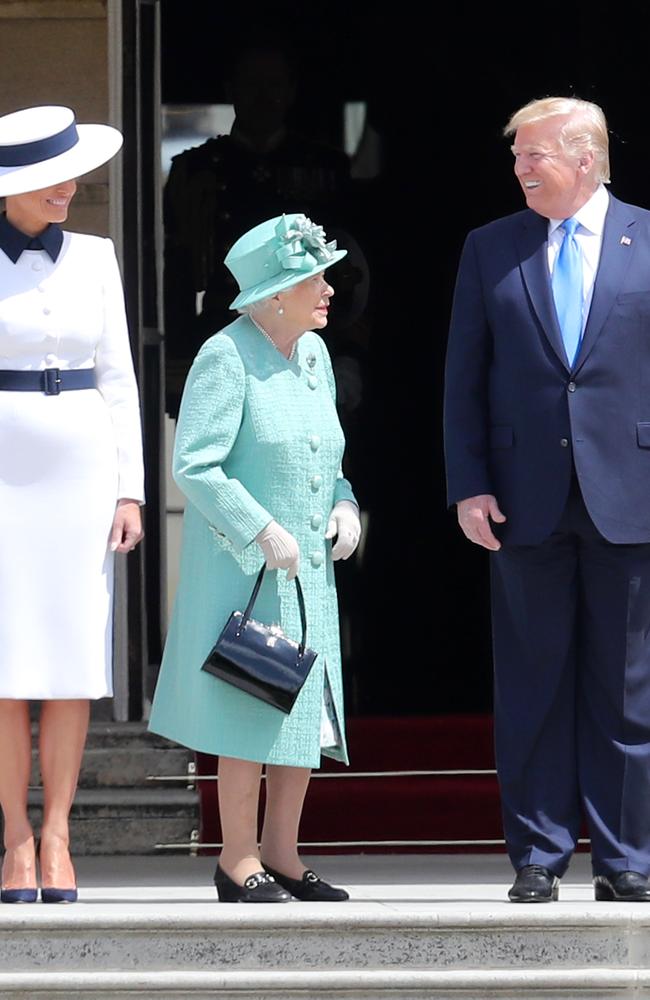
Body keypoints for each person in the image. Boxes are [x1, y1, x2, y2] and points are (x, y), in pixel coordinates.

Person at [444, 96, 650, 903]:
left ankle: (626, 856)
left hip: (628, 493)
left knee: (626, 687)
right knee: (532, 682)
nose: (521, 168)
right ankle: (537, 854)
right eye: (518, 156)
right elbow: (464, 377)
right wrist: (468, 483)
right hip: (523, 497)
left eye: (535, 155)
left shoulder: (646, 237)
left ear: (587, 157)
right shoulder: (490, 247)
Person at [149, 213, 361, 902]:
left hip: (310, 577)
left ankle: (284, 854)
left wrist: (344, 504)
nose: (329, 288)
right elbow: (196, 465)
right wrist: (259, 526)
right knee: (248, 709)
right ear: (275, 294)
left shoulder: (313, 356)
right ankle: (236, 859)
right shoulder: (226, 354)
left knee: (302, 714)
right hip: (247, 572)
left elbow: (329, 457)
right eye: (314, 278)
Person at [0, 106, 145, 903]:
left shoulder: (97, 255)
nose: (70, 188)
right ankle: (13, 840)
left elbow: (118, 376)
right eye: (50, 178)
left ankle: (57, 831)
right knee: (4, 665)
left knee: (69, 660)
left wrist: (130, 488)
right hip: (1, 468)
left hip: (81, 469)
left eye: (70, 173)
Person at [162, 42, 352, 416]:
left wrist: (350, 348)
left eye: (274, 84)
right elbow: (178, 269)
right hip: (224, 327)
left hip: (308, 334)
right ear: (231, 90)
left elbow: (349, 261)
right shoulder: (197, 170)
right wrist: (179, 354)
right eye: (252, 84)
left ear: (292, 90)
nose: (263, 96)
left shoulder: (326, 168)